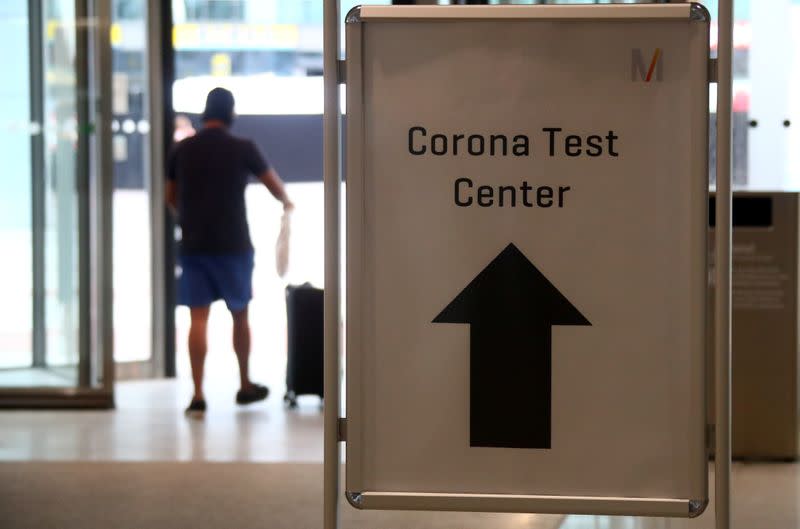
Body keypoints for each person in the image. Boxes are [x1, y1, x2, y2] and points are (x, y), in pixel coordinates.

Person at [166, 87, 294, 416]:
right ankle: (245, 384)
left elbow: (170, 197)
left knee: (198, 318)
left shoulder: (182, 150)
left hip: (194, 244)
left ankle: (197, 394)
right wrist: (287, 204)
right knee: (240, 316)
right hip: (234, 244)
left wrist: (191, 217)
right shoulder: (243, 148)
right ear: (230, 113)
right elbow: (275, 186)